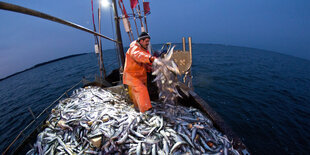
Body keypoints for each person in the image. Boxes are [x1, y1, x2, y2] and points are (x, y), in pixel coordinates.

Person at [123, 32, 157, 113]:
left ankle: (138, 109)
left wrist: (149, 68)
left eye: (148, 41)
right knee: (142, 91)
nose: (148, 43)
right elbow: (138, 56)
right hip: (133, 77)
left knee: (136, 95)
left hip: (139, 76)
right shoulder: (134, 48)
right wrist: (151, 58)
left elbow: (141, 63)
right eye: (146, 41)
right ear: (141, 41)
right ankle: (146, 112)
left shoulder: (142, 49)